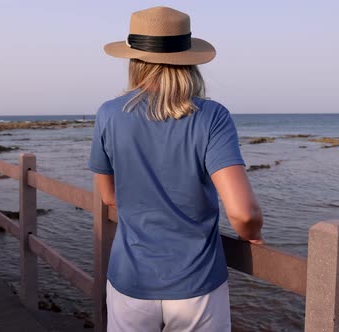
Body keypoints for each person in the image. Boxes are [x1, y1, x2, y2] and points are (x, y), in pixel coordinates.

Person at [88, 6, 264, 331]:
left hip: (130, 280)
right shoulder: (212, 117)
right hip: (197, 284)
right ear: (189, 60)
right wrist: (250, 236)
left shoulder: (109, 114)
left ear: (134, 60)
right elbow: (243, 214)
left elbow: (108, 195)